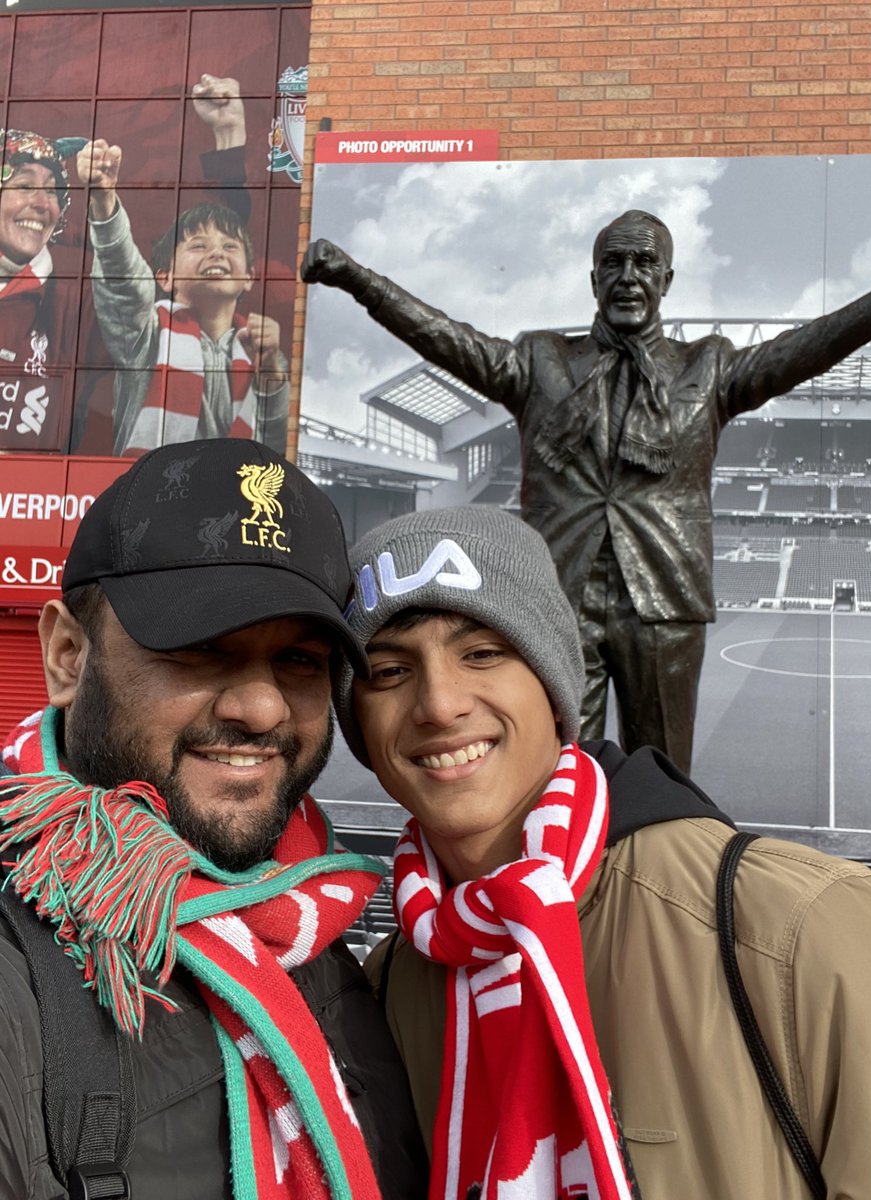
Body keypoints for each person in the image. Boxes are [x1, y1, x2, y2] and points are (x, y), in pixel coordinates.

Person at [333, 503, 871, 1200]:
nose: (440, 703)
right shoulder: (388, 987)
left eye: (483, 653)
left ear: (554, 685)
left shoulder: (805, 932)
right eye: (389, 671)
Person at [303, 218, 871, 772]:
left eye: (644, 263)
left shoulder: (710, 366)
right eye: (614, 263)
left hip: (664, 597)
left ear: (666, 279)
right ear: (594, 279)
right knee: (552, 771)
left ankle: (654, 880)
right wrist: (358, 279)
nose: (629, 277)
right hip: (557, 598)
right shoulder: (540, 361)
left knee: (661, 771)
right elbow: (445, 338)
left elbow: (812, 346)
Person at [0, 438, 427, 1198]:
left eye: (299, 660)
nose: (261, 708)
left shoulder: (319, 936)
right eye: (199, 647)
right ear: (68, 655)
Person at [77, 78, 288, 457]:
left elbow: (276, 447)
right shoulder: (146, 333)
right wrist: (104, 201)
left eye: (229, 246)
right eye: (198, 245)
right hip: (151, 503)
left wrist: (272, 371)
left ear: (249, 277)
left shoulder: (262, 349)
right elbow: (124, 278)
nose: (216, 254)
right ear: (166, 277)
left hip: (231, 503)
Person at [0, 128, 85, 448]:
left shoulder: (73, 298)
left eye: (52, 192)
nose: (41, 203)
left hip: (30, 493)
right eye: (24, 186)